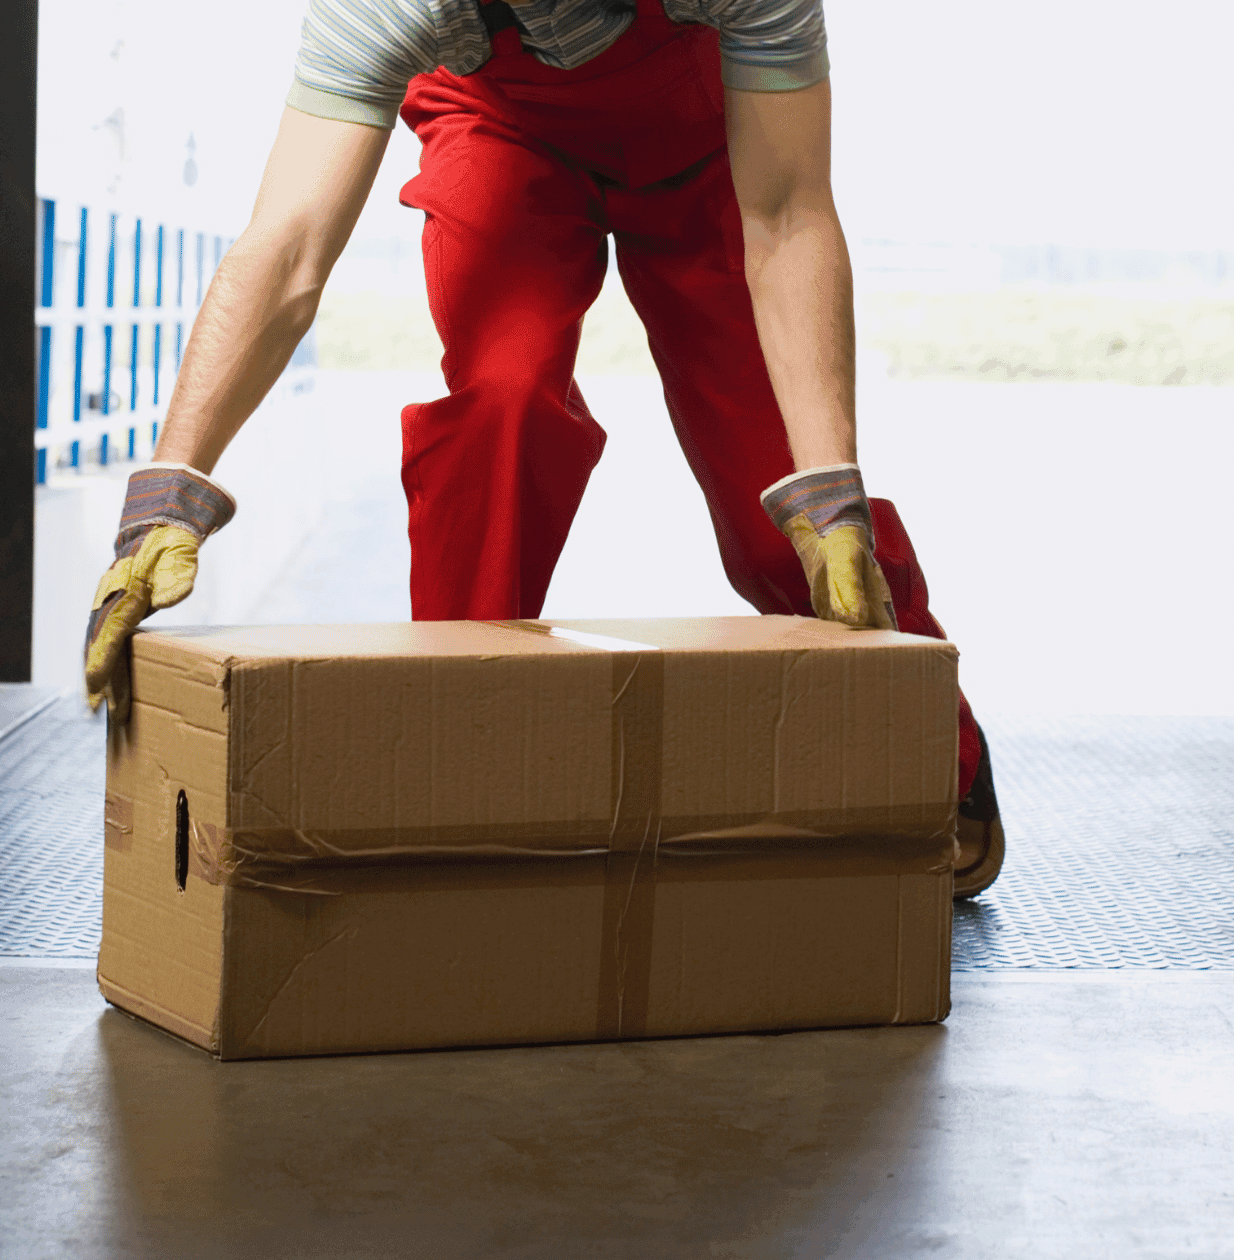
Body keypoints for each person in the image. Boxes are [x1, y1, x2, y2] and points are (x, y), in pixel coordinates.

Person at [77, 0, 1005, 896]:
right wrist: (168, 494)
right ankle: (463, 758)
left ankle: (935, 750)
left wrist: (828, 493)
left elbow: (788, 210)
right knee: (499, 406)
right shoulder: (384, 5)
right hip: (500, 127)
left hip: (707, 149)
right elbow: (284, 249)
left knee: (784, 512)